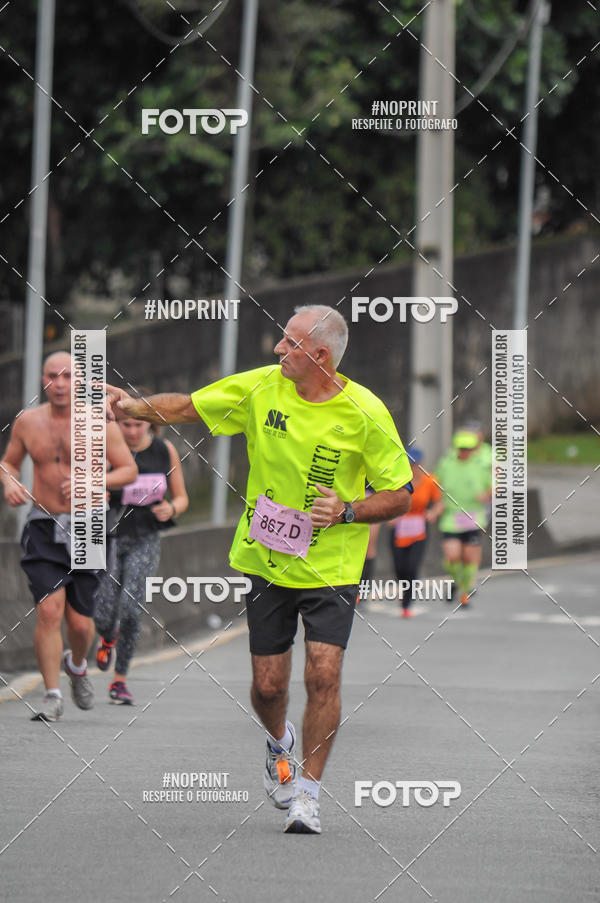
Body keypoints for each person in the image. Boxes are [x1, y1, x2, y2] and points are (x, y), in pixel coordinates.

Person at [105, 304, 413, 835]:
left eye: (289, 343)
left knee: (324, 674)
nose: (277, 350)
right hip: (265, 559)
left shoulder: (366, 412)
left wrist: (346, 510)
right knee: (268, 688)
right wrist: (130, 404)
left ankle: (308, 795)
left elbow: (400, 494)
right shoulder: (262, 387)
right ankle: (280, 745)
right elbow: (187, 408)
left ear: (320, 356)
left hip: (330, 566)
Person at [0, 352, 137, 722]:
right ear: (42, 380)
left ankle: (76, 665)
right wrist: (9, 481)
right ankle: (51, 694)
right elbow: (9, 461)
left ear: (80, 382)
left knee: (79, 624)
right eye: (51, 376)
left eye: (67, 376)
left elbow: (128, 470)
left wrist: (92, 480)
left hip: (88, 525)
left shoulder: (101, 423)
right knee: (48, 611)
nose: (59, 383)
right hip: (43, 524)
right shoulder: (28, 422)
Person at [94, 400, 189, 705]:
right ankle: (107, 637)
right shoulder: (106, 448)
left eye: (139, 424)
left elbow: (182, 497)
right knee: (104, 609)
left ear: (149, 423)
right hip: (108, 537)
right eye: (126, 425)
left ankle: (120, 680)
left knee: (132, 609)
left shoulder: (165, 451)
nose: (132, 431)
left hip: (145, 538)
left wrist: (171, 508)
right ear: (117, 424)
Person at [434, 430, 493, 607]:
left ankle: (465, 590)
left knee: (469, 557)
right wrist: (436, 506)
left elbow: (492, 488)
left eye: (468, 448)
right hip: (451, 517)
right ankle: (457, 581)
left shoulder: (480, 467)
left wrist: (486, 495)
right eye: (462, 448)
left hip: (473, 517)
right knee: (452, 556)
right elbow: (436, 487)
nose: (465, 452)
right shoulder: (446, 465)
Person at [389, 448, 443, 617]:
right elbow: (386, 499)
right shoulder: (397, 480)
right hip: (399, 526)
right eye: (409, 465)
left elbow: (439, 502)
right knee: (399, 566)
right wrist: (389, 515)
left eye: (415, 465)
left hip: (419, 527)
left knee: (412, 564)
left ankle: (407, 602)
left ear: (422, 465)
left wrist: (432, 513)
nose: (412, 468)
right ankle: (403, 590)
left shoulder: (430, 481)